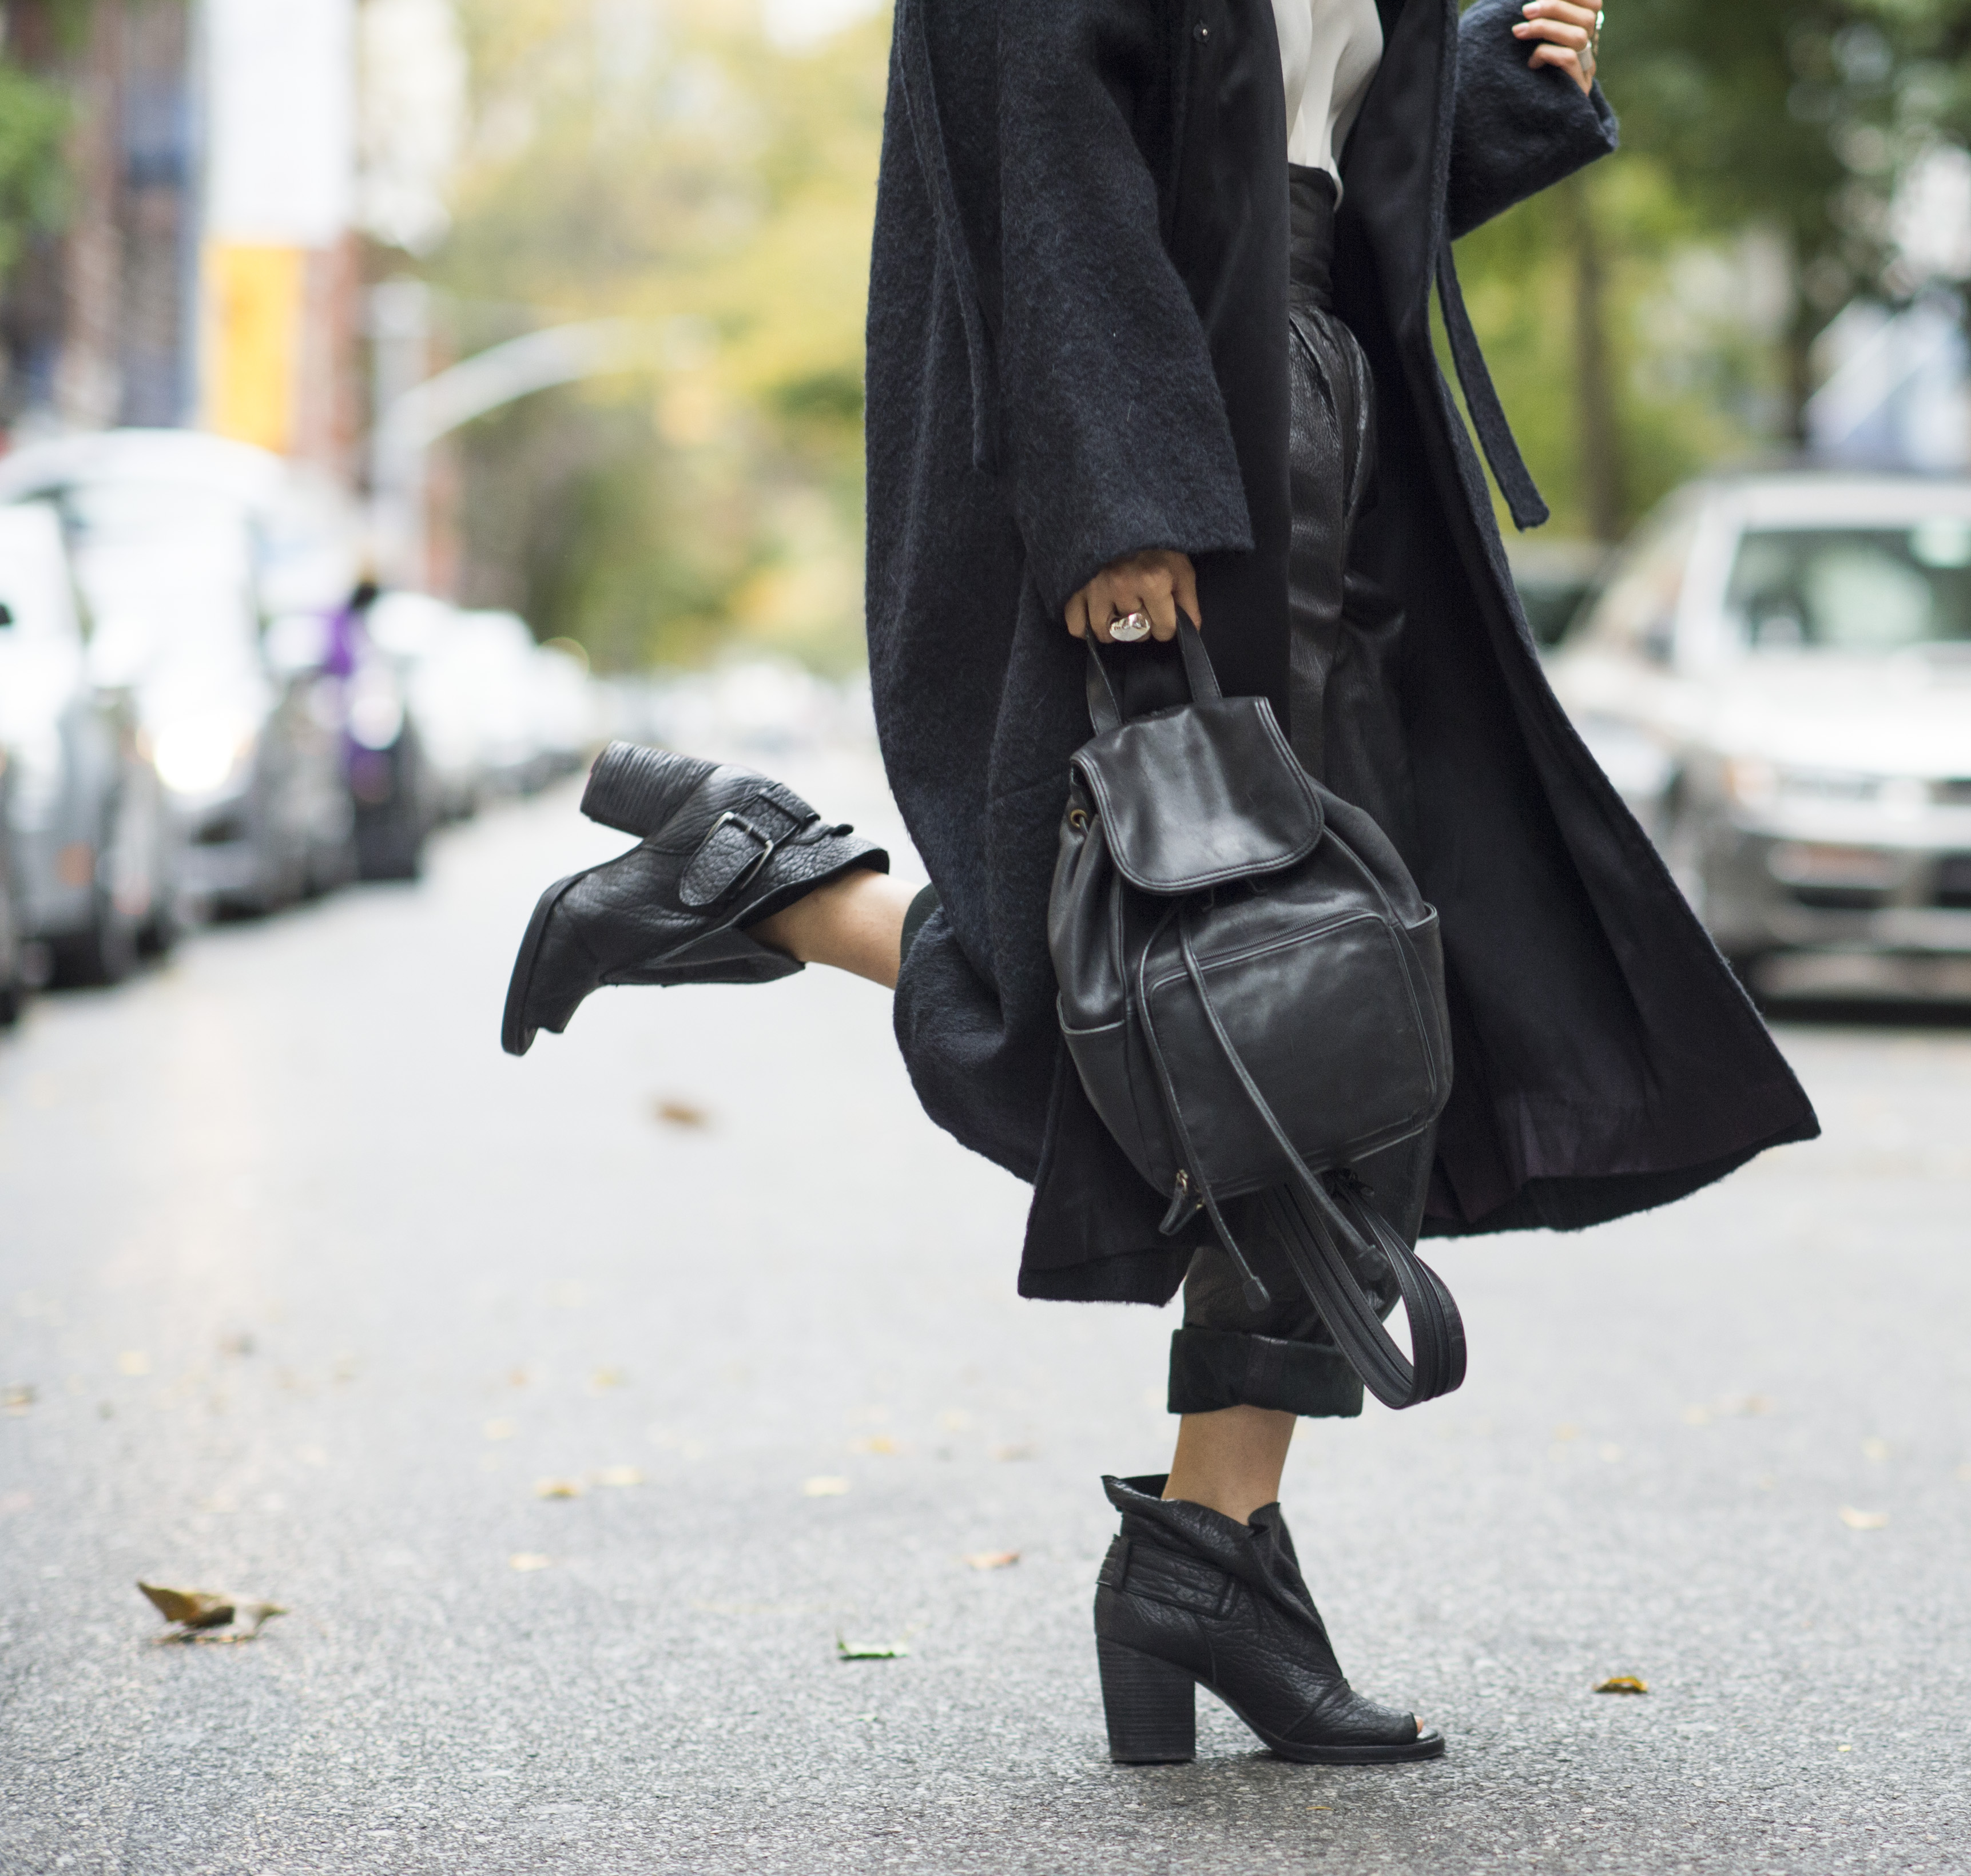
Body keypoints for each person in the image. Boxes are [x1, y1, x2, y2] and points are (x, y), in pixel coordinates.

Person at [500, 0, 1817, 1766]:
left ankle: (1213, 1542)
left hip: (1308, 384)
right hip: (1184, 410)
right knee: (1286, 993)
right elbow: (1038, 139)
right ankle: (1205, 1555)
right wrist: (1117, 495)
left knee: (1272, 994)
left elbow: (1294, 147)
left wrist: (1489, 90)